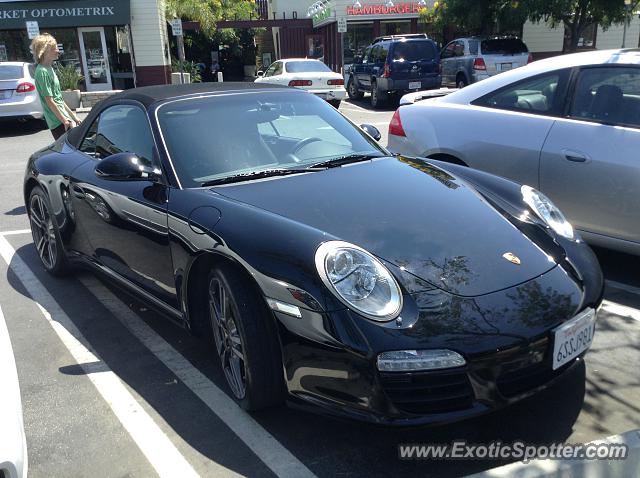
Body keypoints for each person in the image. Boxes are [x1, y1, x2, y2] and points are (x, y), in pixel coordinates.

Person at [31, 33, 80, 139]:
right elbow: (50, 101)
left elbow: (59, 99)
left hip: (64, 119)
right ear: (45, 51)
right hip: (57, 122)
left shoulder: (50, 68)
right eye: (55, 48)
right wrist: (64, 121)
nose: (58, 51)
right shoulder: (42, 72)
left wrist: (73, 116)